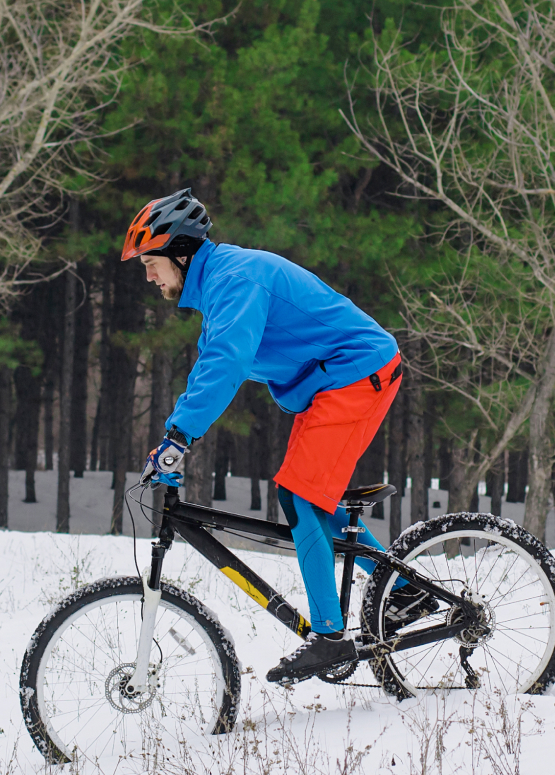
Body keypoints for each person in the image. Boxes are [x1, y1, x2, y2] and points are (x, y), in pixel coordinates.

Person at [127, 188, 433, 683]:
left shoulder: (235, 278)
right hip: (333, 382)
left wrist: (180, 436)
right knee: (304, 491)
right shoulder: (222, 289)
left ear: (180, 253)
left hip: (357, 372)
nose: (148, 274)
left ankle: (329, 638)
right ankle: (400, 588)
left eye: (151, 262)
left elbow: (226, 364)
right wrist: (175, 436)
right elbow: (214, 365)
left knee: (298, 492)